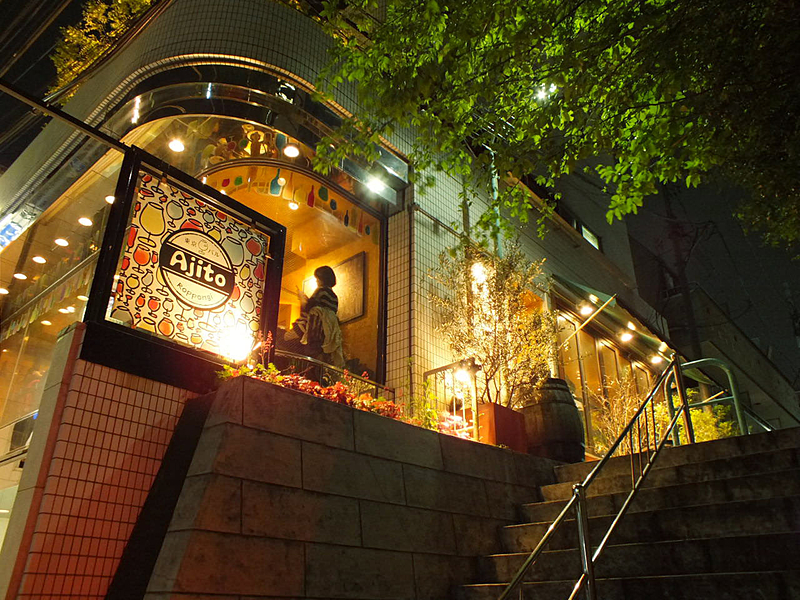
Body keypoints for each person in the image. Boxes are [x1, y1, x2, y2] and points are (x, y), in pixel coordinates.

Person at [287, 266, 344, 367]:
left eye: (317, 279)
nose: (317, 281)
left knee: (285, 340)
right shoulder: (334, 296)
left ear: (322, 279)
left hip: (311, 328)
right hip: (325, 331)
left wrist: (302, 298)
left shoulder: (321, 291)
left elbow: (309, 307)